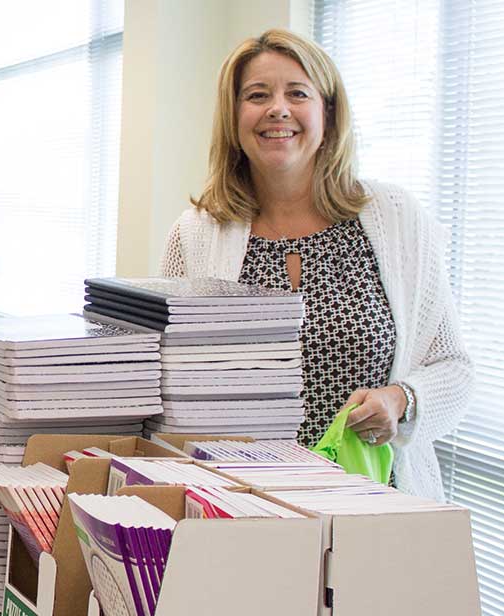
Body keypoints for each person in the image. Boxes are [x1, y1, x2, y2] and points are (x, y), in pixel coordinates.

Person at [160, 29, 473, 501]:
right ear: (234, 117)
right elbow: (164, 378)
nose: (278, 109)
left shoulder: (395, 217)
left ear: (327, 111)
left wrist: (401, 400)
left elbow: (454, 367)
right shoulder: (196, 234)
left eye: (297, 93)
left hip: (374, 511)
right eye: (257, 95)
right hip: (238, 512)